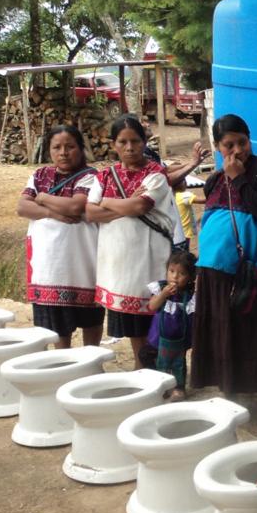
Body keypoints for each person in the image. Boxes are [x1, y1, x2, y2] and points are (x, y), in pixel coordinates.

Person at [190, 115, 257, 430]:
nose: (237, 150)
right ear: (217, 147)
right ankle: (230, 396)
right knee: (224, 332)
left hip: (253, 271)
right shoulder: (215, 180)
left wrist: (241, 179)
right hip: (214, 270)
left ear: (249, 140)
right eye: (228, 145)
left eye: (241, 142)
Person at [84, 116, 179, 367]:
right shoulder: (104, 176)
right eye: (122, 142)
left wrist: (105, 202)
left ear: (145, 142)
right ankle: (143, 370)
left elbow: (140, 205)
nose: (129, 148)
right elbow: (90, 213)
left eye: (135, 141)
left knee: (153, 320)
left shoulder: (157, 174)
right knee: (135, 331)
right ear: (113, 144)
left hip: (148, 261)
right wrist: (122, 207)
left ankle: (153, 373)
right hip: (118, 267)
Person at [16, 125, 104, 349]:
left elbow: (76, 206)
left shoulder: (91, 177)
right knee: (57, 328)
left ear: (80, 149)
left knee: (90, 319)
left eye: (70, 147)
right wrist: (51, 212)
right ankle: (63, 364)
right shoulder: (40, 175)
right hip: (49, 267)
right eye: (57, 147)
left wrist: (43, 197)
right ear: (49, 151)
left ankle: (91, 361)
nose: (63, 152)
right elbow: (22, 207)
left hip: (82, 261)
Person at [140, 250, 196, 401]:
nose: (175, 277)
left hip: (179, 337)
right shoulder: (160, 288)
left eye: (182, 273)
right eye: (171, 271)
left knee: (178, 362)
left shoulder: (190, 296)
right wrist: (164, 294)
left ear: (190, 277)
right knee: (146, 355)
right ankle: (160, 384)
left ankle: (179, 388)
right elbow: (152, 306)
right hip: (158, 336)